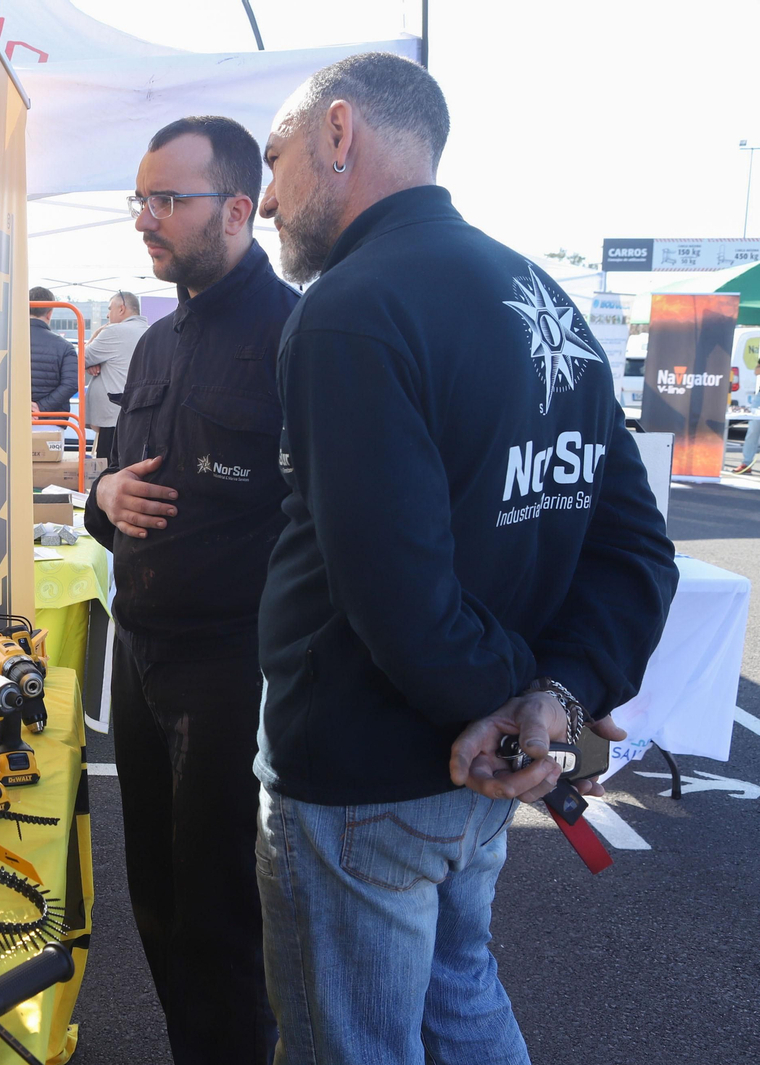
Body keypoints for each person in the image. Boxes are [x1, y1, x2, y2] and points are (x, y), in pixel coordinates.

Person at [254, 52, 678, 1064]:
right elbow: (634, 549)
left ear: (340, 133)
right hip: (476, 772)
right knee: (459, 1000)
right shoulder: (538, 296)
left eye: (274, 159)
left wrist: (519, 708)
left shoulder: (352, 306)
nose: (266, 198)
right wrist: (551, 699)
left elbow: (393, 584)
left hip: (366, 772)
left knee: (353, 1043)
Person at [83, 116, 300, 1065]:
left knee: (221, 913)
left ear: (240, 209)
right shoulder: (155, 344)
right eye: (141, 198)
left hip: (234, 667)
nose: (146, 218)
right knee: (158, 901)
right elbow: (116, 478)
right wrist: (102, 492)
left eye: (168, 199)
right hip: (142, 654)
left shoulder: (299, 336)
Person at [82, 291, 147, 461]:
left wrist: (96, 337)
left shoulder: (114, 332)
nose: (107, 314)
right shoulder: (149, 330)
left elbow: (79, 358)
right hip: (140, 417)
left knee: (109, 472)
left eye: (110, 309)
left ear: (121, 309)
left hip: (114, 419)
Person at [27, 285, 78, 414]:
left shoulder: (4, 343)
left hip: (9, 419)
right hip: (52, 418)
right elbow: (71, 384)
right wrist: (40, 407)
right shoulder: (65, 346)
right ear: (49, 314)